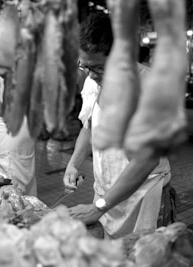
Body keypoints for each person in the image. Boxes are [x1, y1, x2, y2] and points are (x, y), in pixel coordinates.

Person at [63, 11, 173, 239]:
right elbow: (90, 128)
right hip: (107, 196)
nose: (91, 76)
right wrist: (74, 163)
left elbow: (145, 160)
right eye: (85, 67)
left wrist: (98, 207)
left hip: (142, 200)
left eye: (99, 68)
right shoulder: (95, 83)